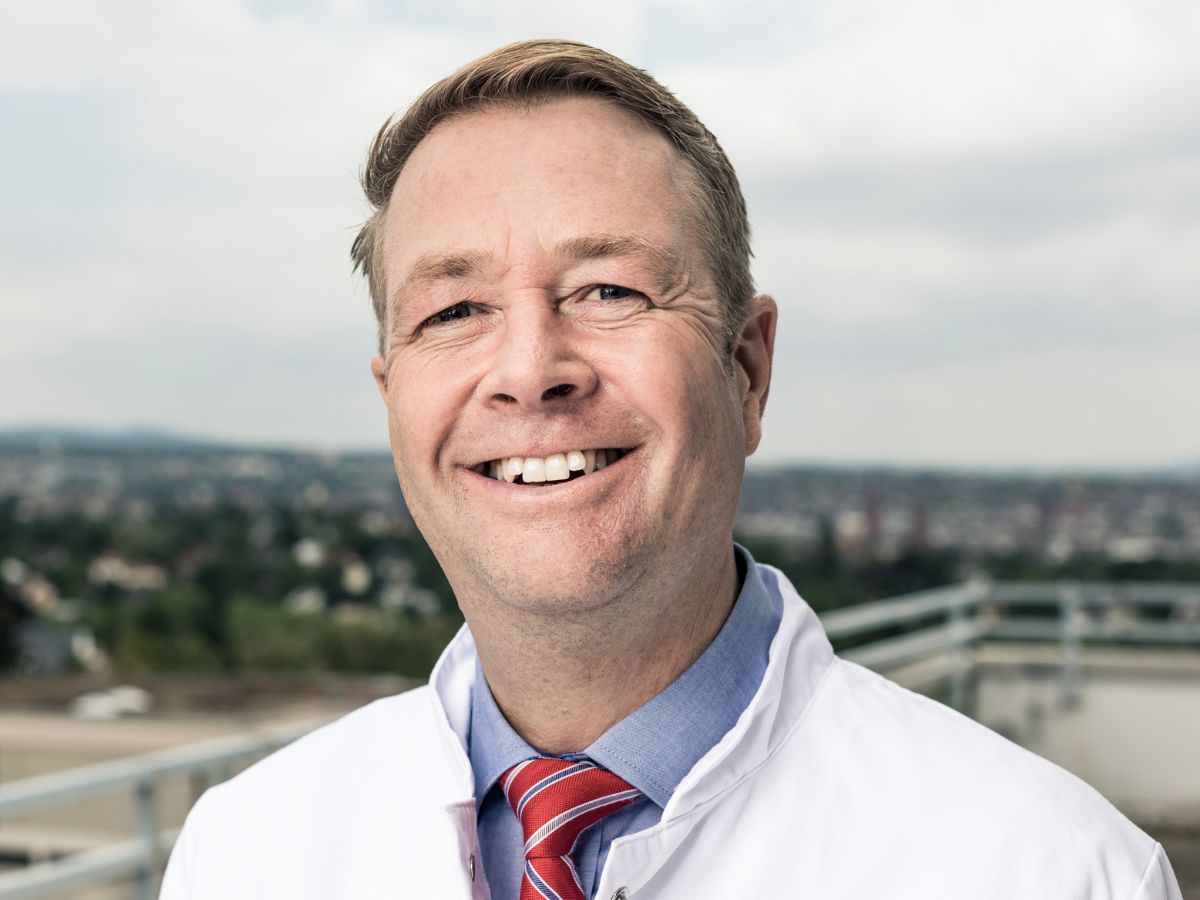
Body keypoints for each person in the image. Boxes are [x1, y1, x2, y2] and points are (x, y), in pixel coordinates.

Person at [160, 40, 1182, 900]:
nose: (530, 371)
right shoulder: (245, 854)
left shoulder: (1053, 870)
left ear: (747, 371)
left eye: (609, 291)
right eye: (455, 310)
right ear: (392, 399)